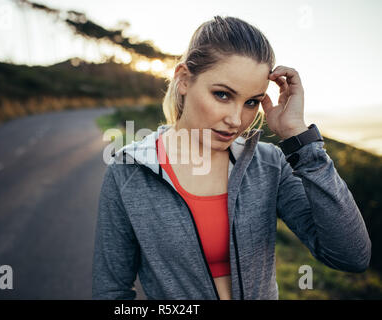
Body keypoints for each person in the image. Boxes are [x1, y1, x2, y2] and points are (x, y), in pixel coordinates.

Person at [92, 15, 371, 300]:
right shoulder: (128, 173)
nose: (237, 120)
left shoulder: (268, 164)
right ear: (184, 80)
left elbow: (351, 256)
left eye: (252, 102)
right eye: (223, 95)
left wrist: (301, 140)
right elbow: (111, 291)